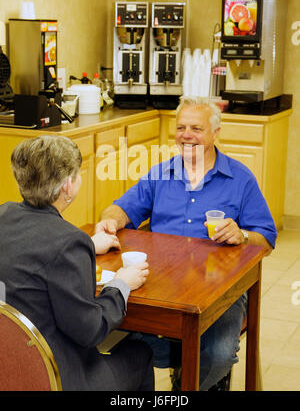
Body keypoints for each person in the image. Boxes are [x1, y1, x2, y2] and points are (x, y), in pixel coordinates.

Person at [97, 96, 277, 391]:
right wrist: (110, 221)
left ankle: (187, 385)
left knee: (217, 355)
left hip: (219, 289)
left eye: (196, 128)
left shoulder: (241, 179)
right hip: (160, 284)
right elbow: (120, 209)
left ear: (215, 133)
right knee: (114, 335)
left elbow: (267, 239)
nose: (187, 135)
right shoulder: (159, 174)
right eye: (181, 127)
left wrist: (242, 235)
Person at [0, 135, 153, 391]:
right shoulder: (69, 241)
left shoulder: (4, 214)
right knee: (141, 352)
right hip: (53, 377)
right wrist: (120, 285)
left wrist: (89, 245)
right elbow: (90, 331)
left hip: (7, 369)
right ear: (67, 186)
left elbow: (27, 255)